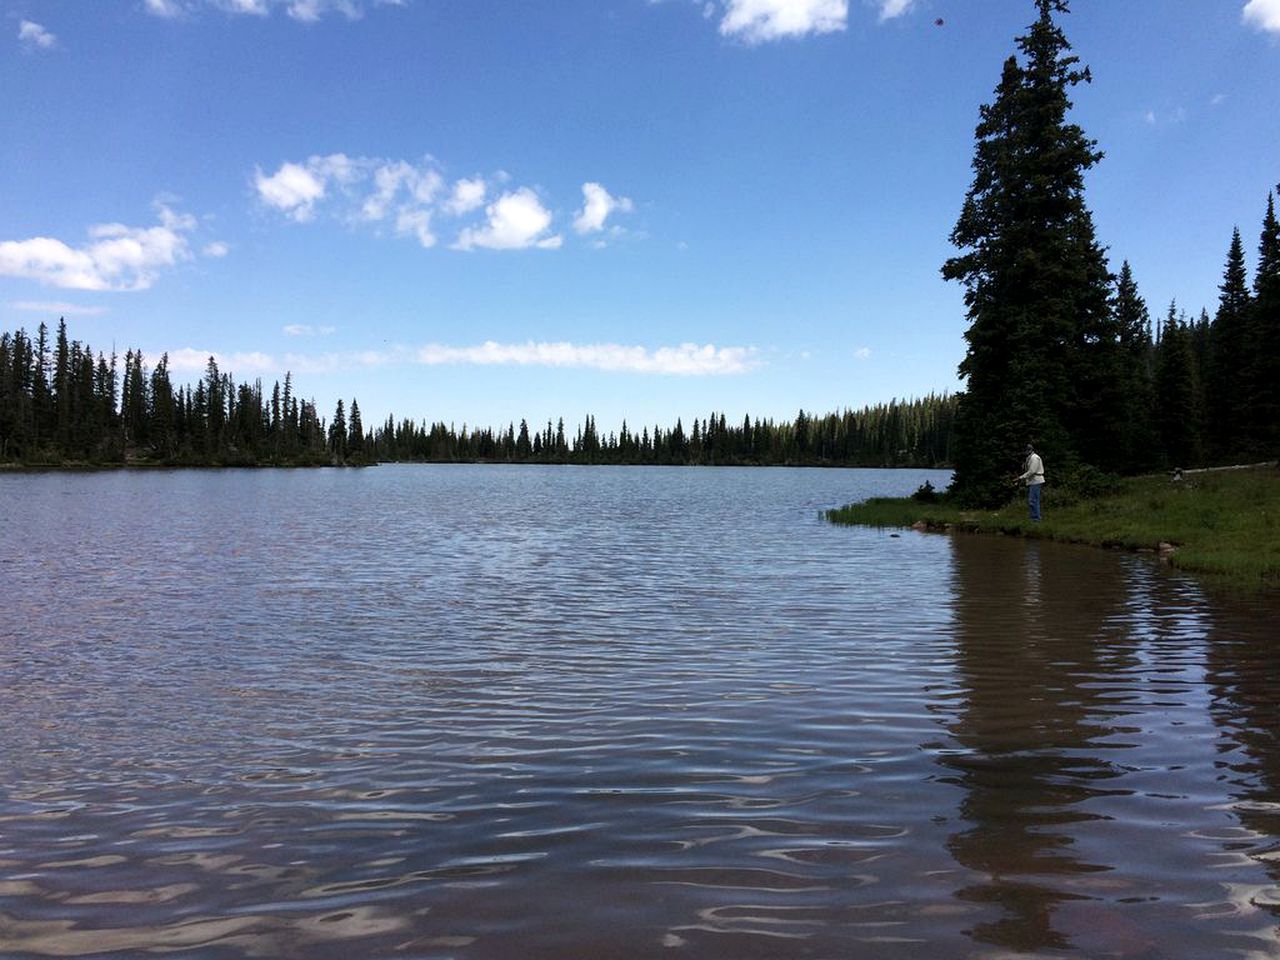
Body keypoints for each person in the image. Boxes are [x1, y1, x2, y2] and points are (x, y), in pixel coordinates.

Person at [1018, 443, 1045, 521]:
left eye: (1026, 450)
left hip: (1036, 480)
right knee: (1033, 500)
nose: (1025, 452)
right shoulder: (1029, 458)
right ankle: (1034, 517)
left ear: (1030, 450)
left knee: (1033, 500)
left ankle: (1036, 518)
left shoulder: (1034, 458)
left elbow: (1032, 471)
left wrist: (1021, 477)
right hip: (1033, 480)